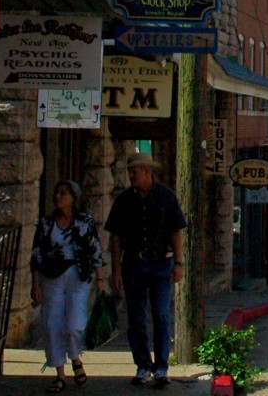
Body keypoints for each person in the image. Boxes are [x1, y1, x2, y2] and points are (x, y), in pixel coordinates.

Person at [104, 153, 187, 389]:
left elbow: (177, 231)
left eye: (136, 171)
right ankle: (142, 365)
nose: (131, 175)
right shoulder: (124, 200)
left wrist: (179, 264)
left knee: (161, 314)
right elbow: (116, 238)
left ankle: (161, 367)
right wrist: (116, 270)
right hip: (133, 263)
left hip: (161, 262)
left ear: (148, 172)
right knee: (136, 317)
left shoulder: (166, 196)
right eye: (130, 171)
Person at [30, 180, 103, 393]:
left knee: (75, 325)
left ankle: (75, 357)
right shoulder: (46, 223)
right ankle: (60, 374)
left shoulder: (84, 222)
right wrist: (35, 284)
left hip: (78, 276)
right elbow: (36, 254)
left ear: (73, 198)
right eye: (56, 192)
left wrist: (100, 279)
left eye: (63, 193)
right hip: (51, 276)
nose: (58, 197)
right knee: (52, 325)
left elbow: (95, 250)